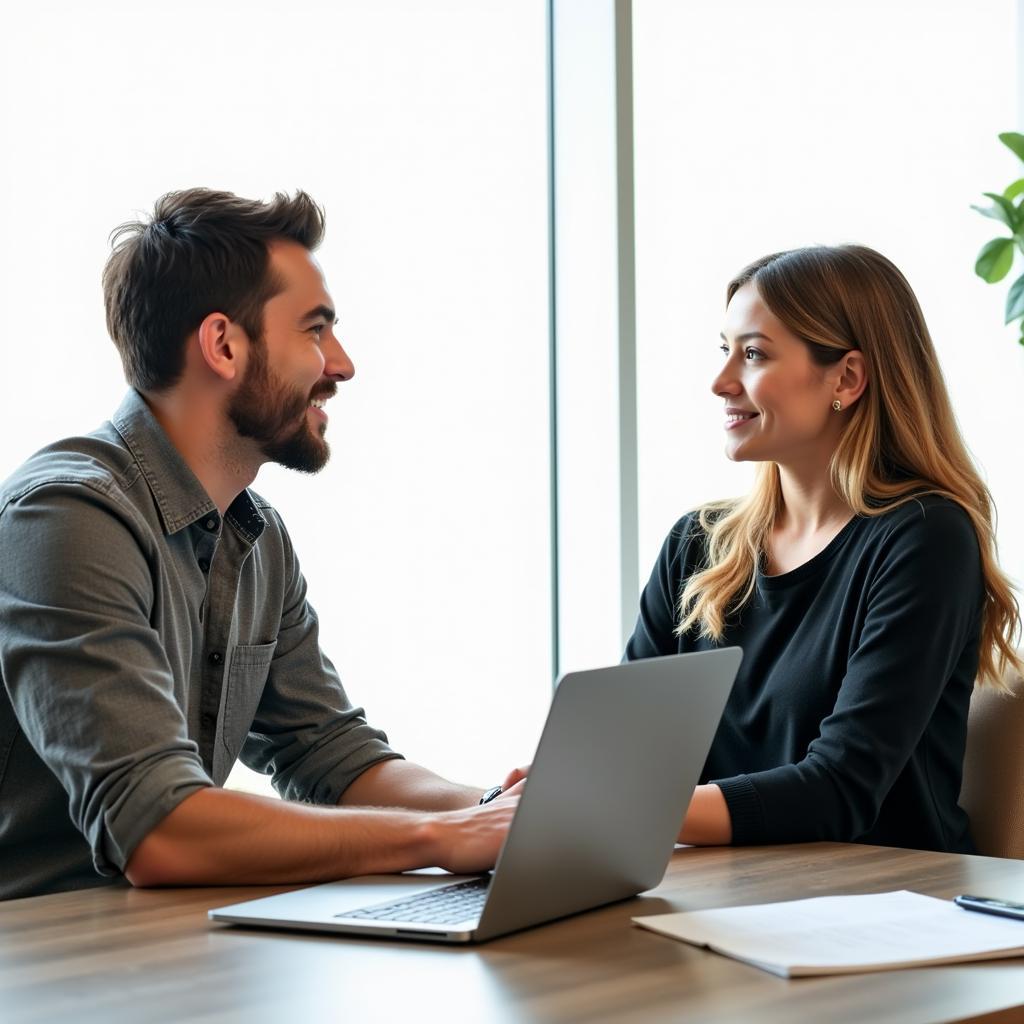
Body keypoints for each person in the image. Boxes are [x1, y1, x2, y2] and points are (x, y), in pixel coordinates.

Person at [0, 189, 523, 901]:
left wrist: (495, 810)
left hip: (149, 948)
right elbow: (158, 830)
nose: (341, 365)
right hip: (39, 959)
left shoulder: (256, 536)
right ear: (223, 344)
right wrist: (440, 838)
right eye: (315, 330)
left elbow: (331, 753)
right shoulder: (67, 516)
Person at [626, 245, 1022, 853]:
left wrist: (609, 806)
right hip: (719, 891)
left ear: (847, 378)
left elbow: (840, 789)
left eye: (753, 354)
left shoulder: (924, 538)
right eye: (724, 349)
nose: (720, 381)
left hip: (883, 907)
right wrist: (557, 798)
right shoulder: (695, 544)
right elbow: (629, 755)